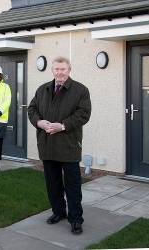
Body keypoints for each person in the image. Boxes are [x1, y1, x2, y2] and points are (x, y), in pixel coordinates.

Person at [27, 56, 91, 235]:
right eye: (56, 69)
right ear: (52, 70)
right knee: (53, 183)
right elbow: (31, 110)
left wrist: (62, 126)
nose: (59, 72)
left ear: (69, 70)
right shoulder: (43, 90)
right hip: (47, 144)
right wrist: (39, 122)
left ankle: (76, 219)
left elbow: (84, 114)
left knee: (72, 185)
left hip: (69, 144)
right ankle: (58, 212)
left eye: (63, 69)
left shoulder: (80, 90)